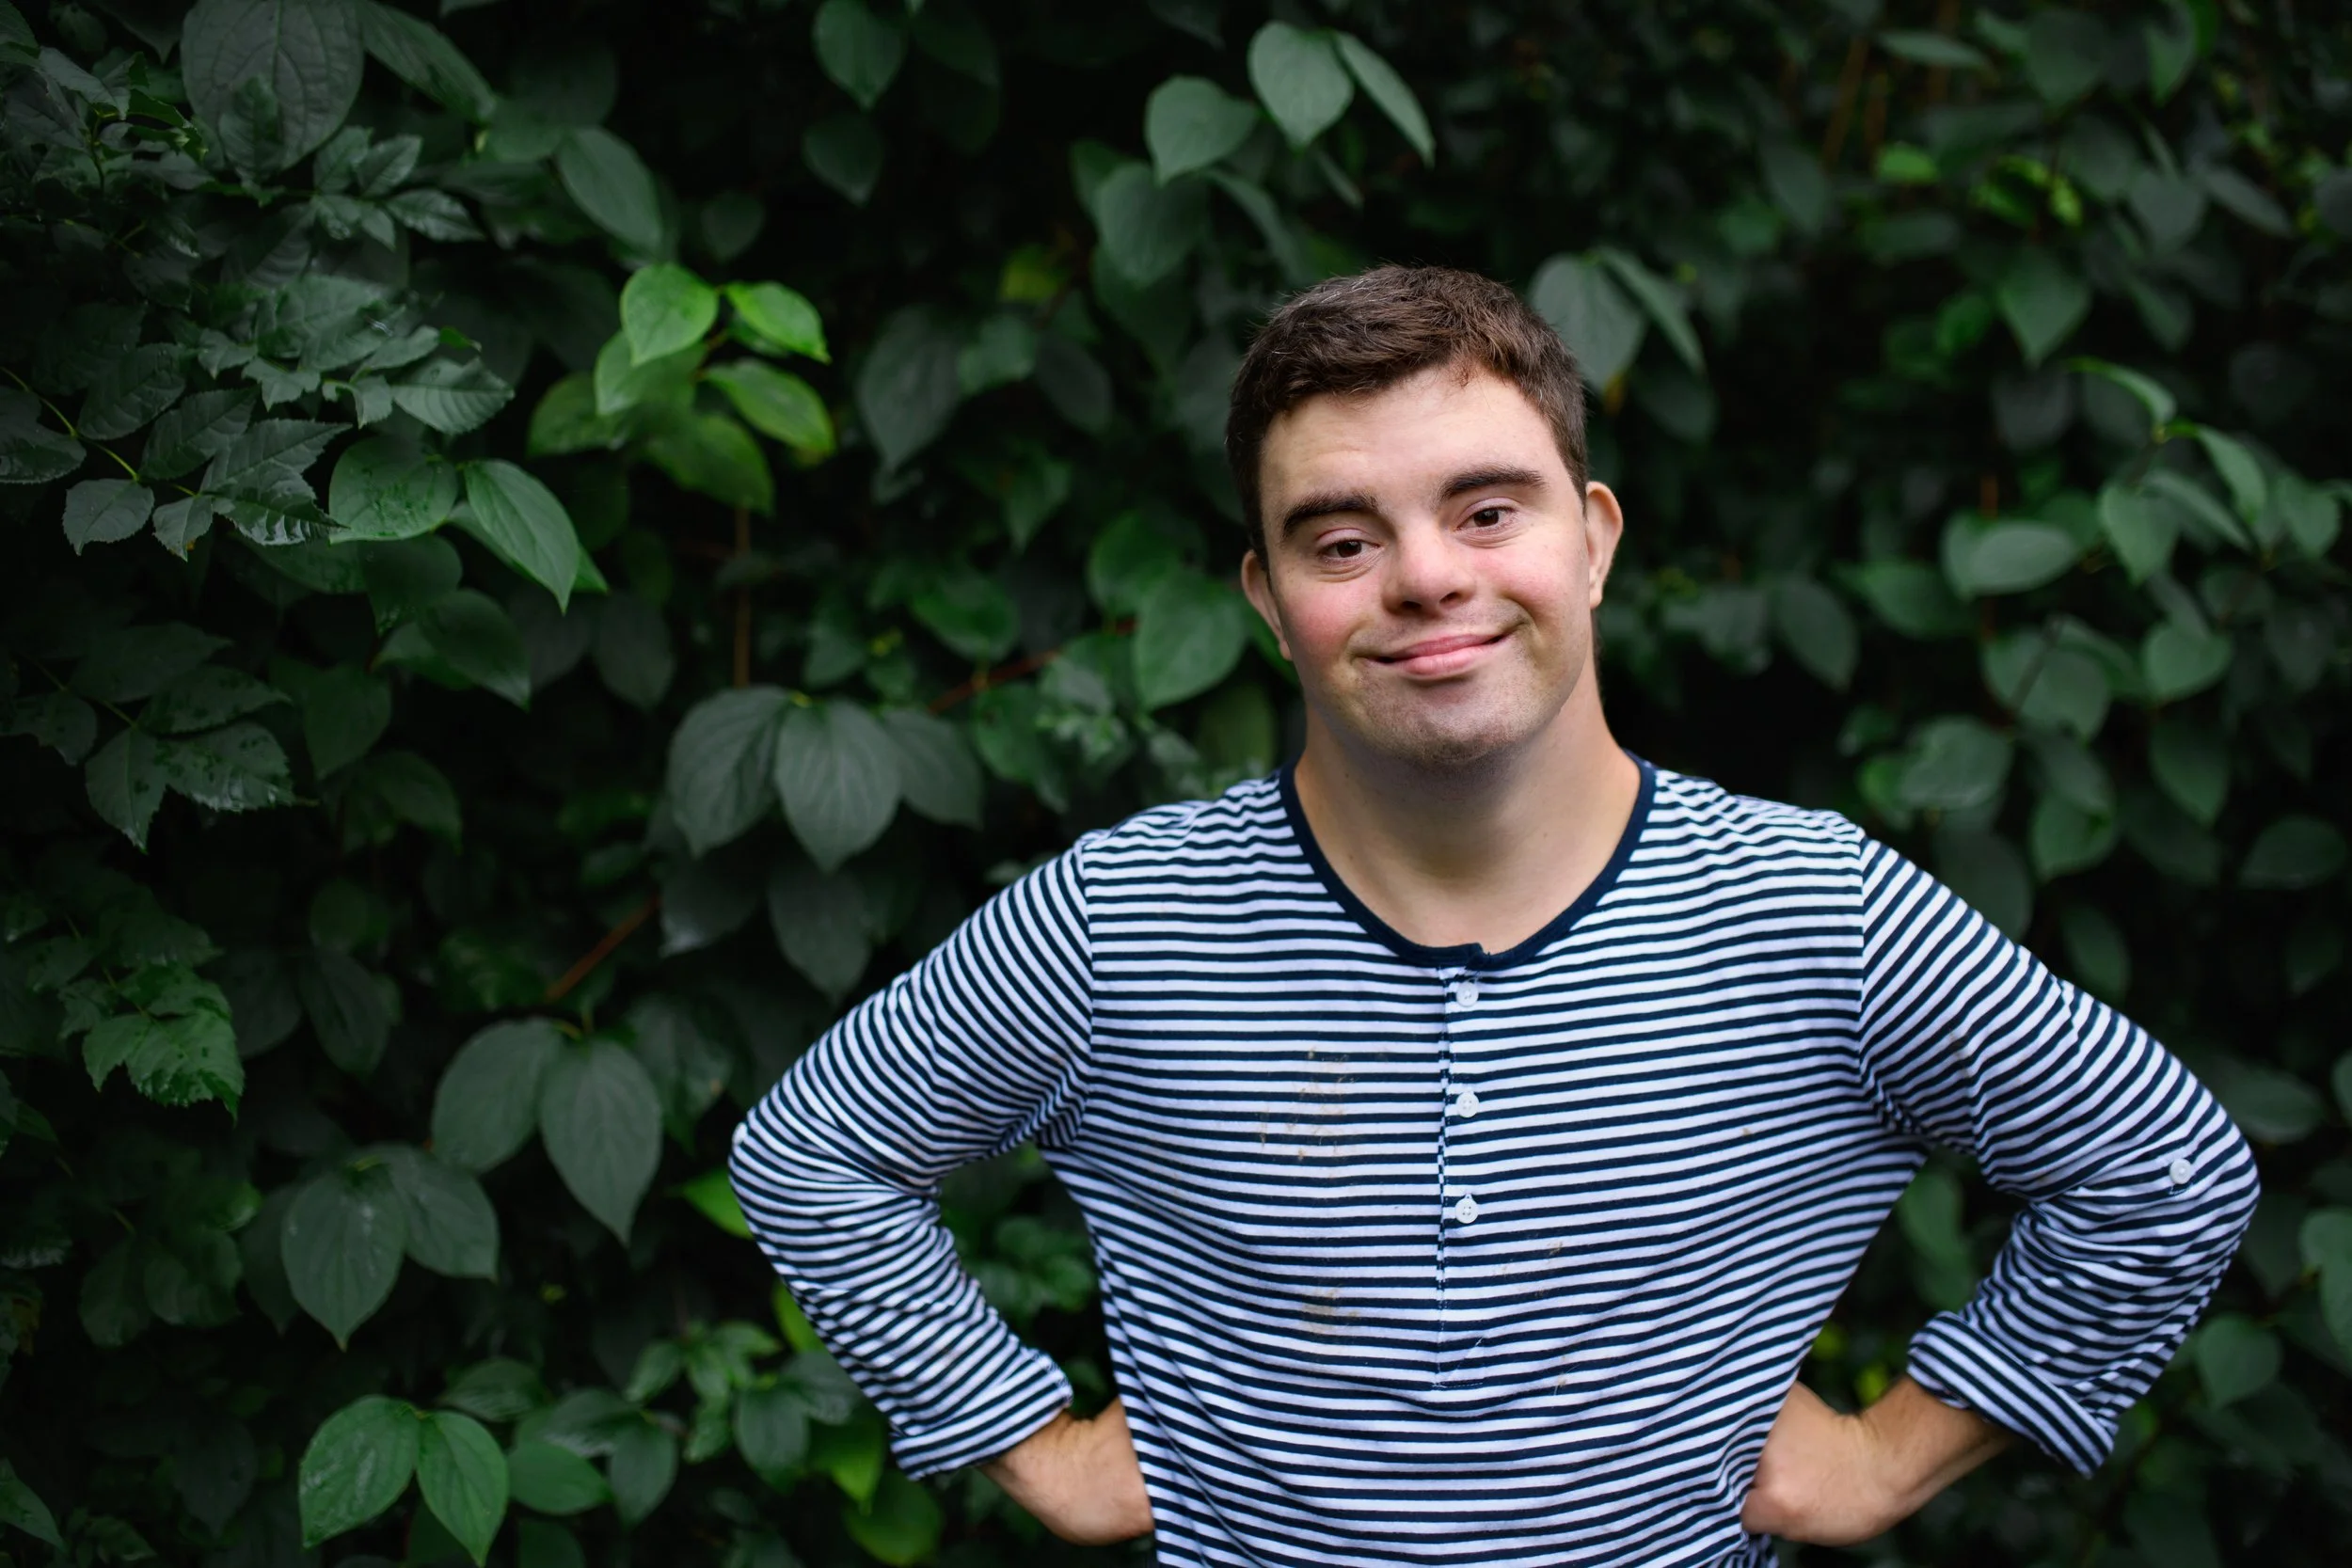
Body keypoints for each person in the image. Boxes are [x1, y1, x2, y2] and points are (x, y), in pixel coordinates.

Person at [728, 265, 2257, 1566]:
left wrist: (1887, 1459)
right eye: (1341, 539)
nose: (1423, 579)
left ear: (1590, 536)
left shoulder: (1813, 914)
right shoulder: (1123, 922)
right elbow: (813, 1153)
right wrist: (1035, 1446)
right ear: (1265, 598)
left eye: (1485, 508)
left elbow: (2166, 1171)